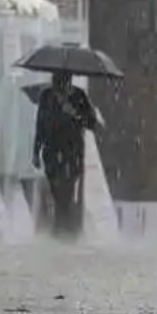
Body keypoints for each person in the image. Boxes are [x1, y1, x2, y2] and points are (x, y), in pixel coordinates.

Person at [32, 72, 99, 238]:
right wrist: (36, 151)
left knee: (67, 191)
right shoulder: (46, 96)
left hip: (72, 151)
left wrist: (75, 114)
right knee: (57, 191)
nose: (58, 89)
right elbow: (40, 124)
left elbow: (92, 123)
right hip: (51, 150)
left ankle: (62, 228)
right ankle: (62, 227)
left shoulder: (79, 96)